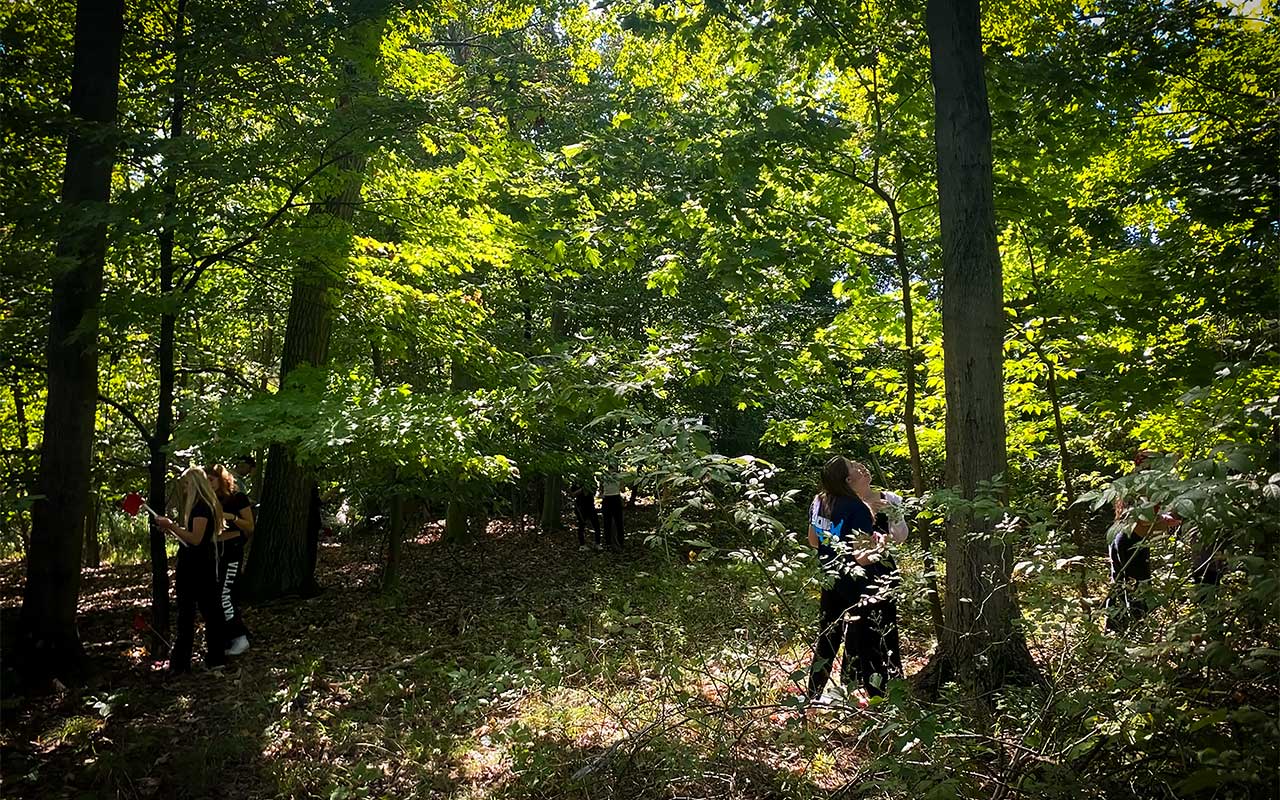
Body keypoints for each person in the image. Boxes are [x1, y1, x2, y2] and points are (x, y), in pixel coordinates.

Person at [805, 456, 900, 704]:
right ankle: (880, 704)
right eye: (853, 468)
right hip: (858, 586)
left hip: (830, 579)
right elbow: (861, 558)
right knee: (868, 644)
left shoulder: (820, 501)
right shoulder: (857, 509)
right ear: (848, 480)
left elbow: (814, 541)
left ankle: (811, 699)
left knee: (827, 639)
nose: (859, 469)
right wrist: (881, 544)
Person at [155, 466, 227, 675]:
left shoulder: (202, 508)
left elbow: (195, 539)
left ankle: (193, 661)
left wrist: (171, 526)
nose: (184, 489)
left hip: (197, 569)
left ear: (195, 484)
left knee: (195, 614)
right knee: (202, 613)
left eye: (187, 484)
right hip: (197, 566)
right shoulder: (200, 507)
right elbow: (193, 538)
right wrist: (173, 530)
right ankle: (192, 661)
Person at [1105, 451, 1178, 633]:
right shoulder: (1145, 487)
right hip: (1132, 539)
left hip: (1119, 537)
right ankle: (1139, 631)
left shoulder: (1130, 484)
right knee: (1140, 588)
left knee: (1120, 584)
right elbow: (1144, 521)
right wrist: (1168, 521)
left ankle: (1114, 630)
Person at [207, 464, 252, 656]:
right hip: (214, 551)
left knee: (225, 594)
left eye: (211, 480)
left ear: (221, 479)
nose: (209, 484)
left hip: (232, 550)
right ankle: (226, 637)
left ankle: (240, 637)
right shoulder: (207, 500)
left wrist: (229, 517)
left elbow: (249, 526)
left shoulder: (238, 497)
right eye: (205, 481)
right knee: (216, 595)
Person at [569, 481, 602, 550]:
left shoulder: (590, 481)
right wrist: (582, 490)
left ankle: (597, 543)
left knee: (596, 525)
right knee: (581, 525)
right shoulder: (576, 482)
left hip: (591, 506)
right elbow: (572, 494)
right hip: (580, 507)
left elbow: (595, 492)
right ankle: (582, 545)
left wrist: (590, 488)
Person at [601, 472, 625, 550]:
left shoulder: (604, 476)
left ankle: (611, 543)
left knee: (609, 521)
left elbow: (601, 489)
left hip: (610, 499)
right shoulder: (618, 476)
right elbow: (623, 489)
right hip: (613, 498)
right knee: (617, 521)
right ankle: (618, 542)